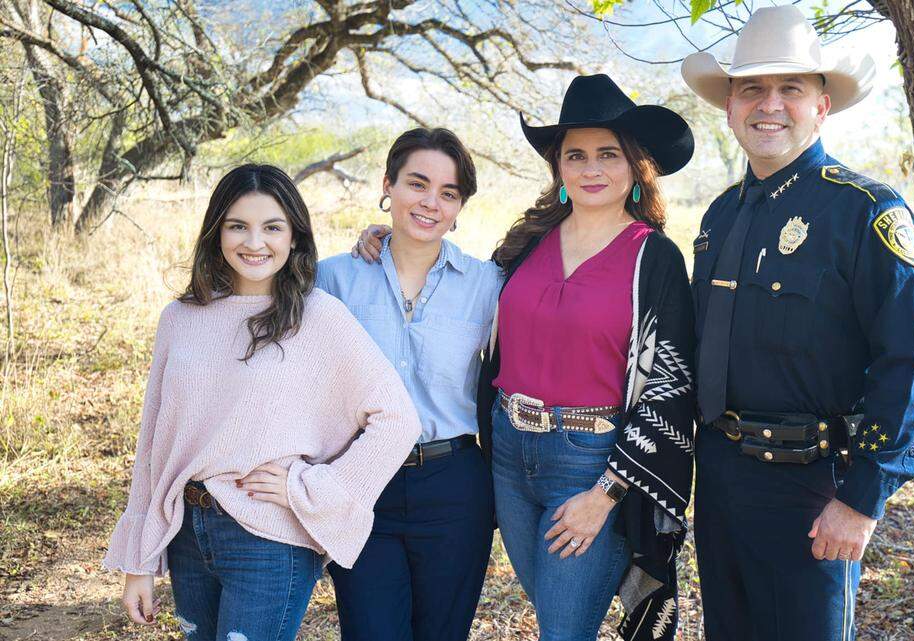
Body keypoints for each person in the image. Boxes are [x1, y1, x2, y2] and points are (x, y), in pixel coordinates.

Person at [354, 75, 697, 641]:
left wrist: (607, 493)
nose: (591, 169)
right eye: (576, 155)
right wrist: (385, 239)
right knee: (557, 617)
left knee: (563, 628)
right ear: (558, 168)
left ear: (635, 166)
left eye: (608, 155)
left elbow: (671, 385)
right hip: (508, 457)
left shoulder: (651, 257)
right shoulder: (526, 244)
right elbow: (453, 278)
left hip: (590, 462)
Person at [679, 6, 914, 640]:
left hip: (813, 490)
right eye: (752, 88)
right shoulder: (717, 217)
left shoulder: (865, 211)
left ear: (822, 105)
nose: (770, 104)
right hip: (719, 481)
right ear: (731, 106)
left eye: (790, 88)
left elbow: (908, 363)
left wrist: (862, 499)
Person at [105, 164, 422, 640]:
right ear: (217, 233)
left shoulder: (319, 317)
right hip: (188, 531)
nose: (255, 242)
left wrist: (314, 486)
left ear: (294, 236)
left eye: (272, 227)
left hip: (269, 538)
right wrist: (140, 559)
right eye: (238, 226)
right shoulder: (180, 318)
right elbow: (154, 441)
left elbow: (397, 420)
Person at [316, 128, 501, 641]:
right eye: (417, 184)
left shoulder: (487, 285)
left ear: (460, 206)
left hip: (453, 486)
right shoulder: (332, 280)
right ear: (388, 186)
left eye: (448, 193)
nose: (431, 203)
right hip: (361, 480)